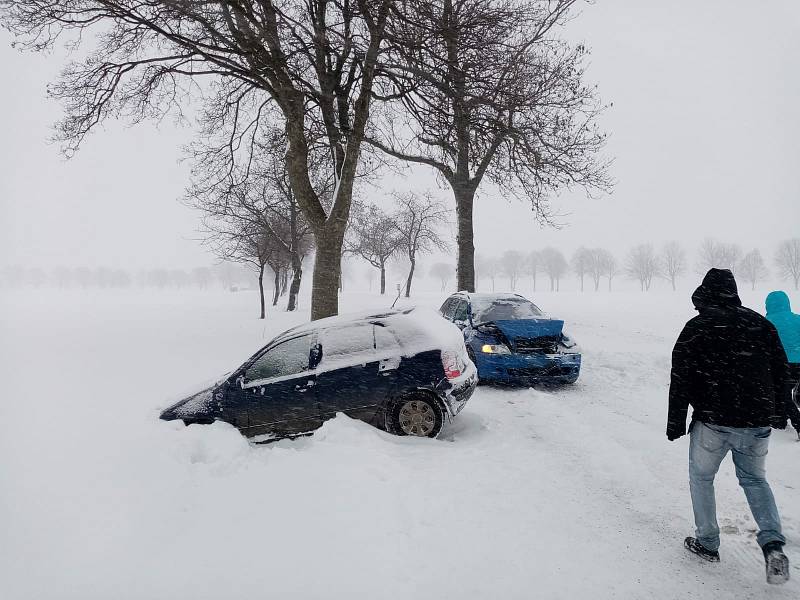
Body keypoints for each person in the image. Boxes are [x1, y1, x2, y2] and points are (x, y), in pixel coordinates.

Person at [667, 269, 791, 585]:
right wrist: (779, 412)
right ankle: (773, 545)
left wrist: (675, 420)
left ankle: (707, 542)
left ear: (705, 293)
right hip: (756, 421)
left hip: (712, 420)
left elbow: (680, 375)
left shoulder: (697, 327)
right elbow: (781, 371)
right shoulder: (761, 325)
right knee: (754, 479)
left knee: (701, 478)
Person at [766, 290, 800, 437]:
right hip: (799, 363)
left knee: (781, 394)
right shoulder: (798, 319)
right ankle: (780, 419)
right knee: (786, 393)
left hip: (781, 364)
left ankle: (790, 421)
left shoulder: (766, 322)